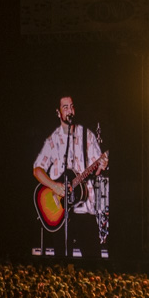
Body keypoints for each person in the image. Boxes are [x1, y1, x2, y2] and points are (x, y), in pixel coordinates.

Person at [34, 95, 108, 259]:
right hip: (60, 212)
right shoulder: (53, 139)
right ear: (58, 112)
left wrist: (101, 165)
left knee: (92, 259)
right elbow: (37, 169)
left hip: (83, 208)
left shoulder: (86, 135)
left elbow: (96, 169)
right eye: (65, 107)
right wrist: (54, 186)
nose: (69, 110)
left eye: (72, 106)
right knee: (61, 263)